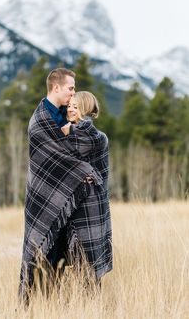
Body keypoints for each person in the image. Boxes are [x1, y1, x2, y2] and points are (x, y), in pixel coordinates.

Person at [18, 68, 104, 305]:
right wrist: (83, 171)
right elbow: (57, 157)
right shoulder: (39, 121)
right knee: (44, 256)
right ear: (56, 88)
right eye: (70, 88)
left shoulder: (67, 115)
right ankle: (39, 307)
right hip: (46, 200)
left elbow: (82, 144)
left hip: (71, 202)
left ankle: (71, 306)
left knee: (72, 258)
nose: (73, 93)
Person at [61, 91, 112, 283]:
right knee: (74, 257)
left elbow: (76, 151)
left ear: (86, 109)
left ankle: (90, 307)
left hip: (90, 204)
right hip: (72, 202)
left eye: (76, 106)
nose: (71, 109)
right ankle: (76, 304)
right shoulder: (70, 131)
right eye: (69, 106)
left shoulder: (96, 137)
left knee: (88, 259)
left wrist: (68, 133)